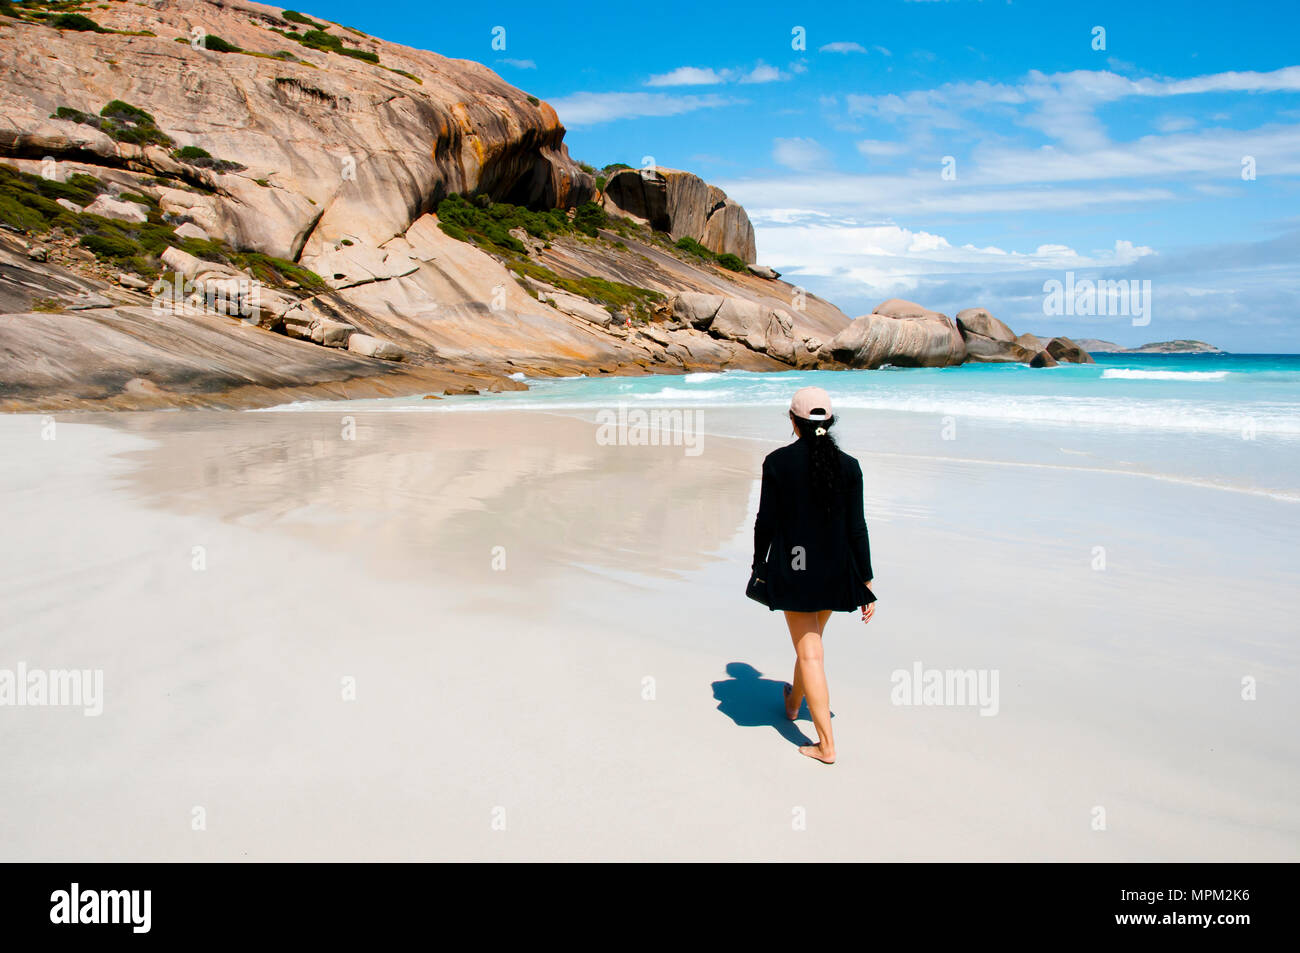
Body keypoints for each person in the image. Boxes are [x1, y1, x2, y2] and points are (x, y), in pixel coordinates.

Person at [750, 386, 876, 764]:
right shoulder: (850, 466)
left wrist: (760, 566)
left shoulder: (777, 462)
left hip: (796, 569)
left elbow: (765, 522)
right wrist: (865, 581)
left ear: (793, 422)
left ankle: (826, 745)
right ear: (830, 422)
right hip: (836, 572)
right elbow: (858, 528)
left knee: (811, 654)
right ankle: (792, 703)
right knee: (811, 644)